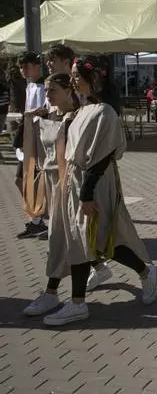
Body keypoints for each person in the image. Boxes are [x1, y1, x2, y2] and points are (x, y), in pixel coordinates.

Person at [42, 55, 157, 326]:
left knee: (88, 238)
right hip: (78, 180)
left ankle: (78, 303)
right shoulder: (84, 109)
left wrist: (86, 193)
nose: (72, 79)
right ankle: (145, 271)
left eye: (76, 75)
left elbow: (102, 156)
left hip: (93, 182)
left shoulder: (105, 112)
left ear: (93, 78)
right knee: (93, 239)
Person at [22, 73, 80, 317]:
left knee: (78, 239)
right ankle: (55, 293)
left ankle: (65, 298)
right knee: (61, 239)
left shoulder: (79, 117)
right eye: (46, 90)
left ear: (68, 91)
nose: (48, 95)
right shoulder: (46, 118)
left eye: (52, 90)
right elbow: (33, 152)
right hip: (54, 184)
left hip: (74, 185)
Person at [15, 51, 49, 239]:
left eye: (26, 66)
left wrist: (35, 113)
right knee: (21, 181)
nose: (23, 70)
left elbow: (49, 109)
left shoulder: (46, 85)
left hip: (39, 140)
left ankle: (38, 220)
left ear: (37, 66)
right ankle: (37, 218)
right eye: (21, 67)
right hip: (27, 138)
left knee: (35, 182)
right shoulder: (29, 86)